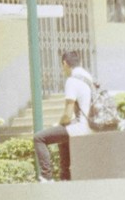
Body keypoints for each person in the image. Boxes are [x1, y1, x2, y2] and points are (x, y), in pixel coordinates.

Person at [33, 49, 93, 181]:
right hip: (91, 125)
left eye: (62, 66)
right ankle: (65, 176)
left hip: (81, 127)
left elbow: (67, 115)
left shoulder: (72, 80)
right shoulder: (87, 76)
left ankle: (46, 177)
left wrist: (59, 123)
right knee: (63, 135)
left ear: (65, 63)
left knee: (39, 138)